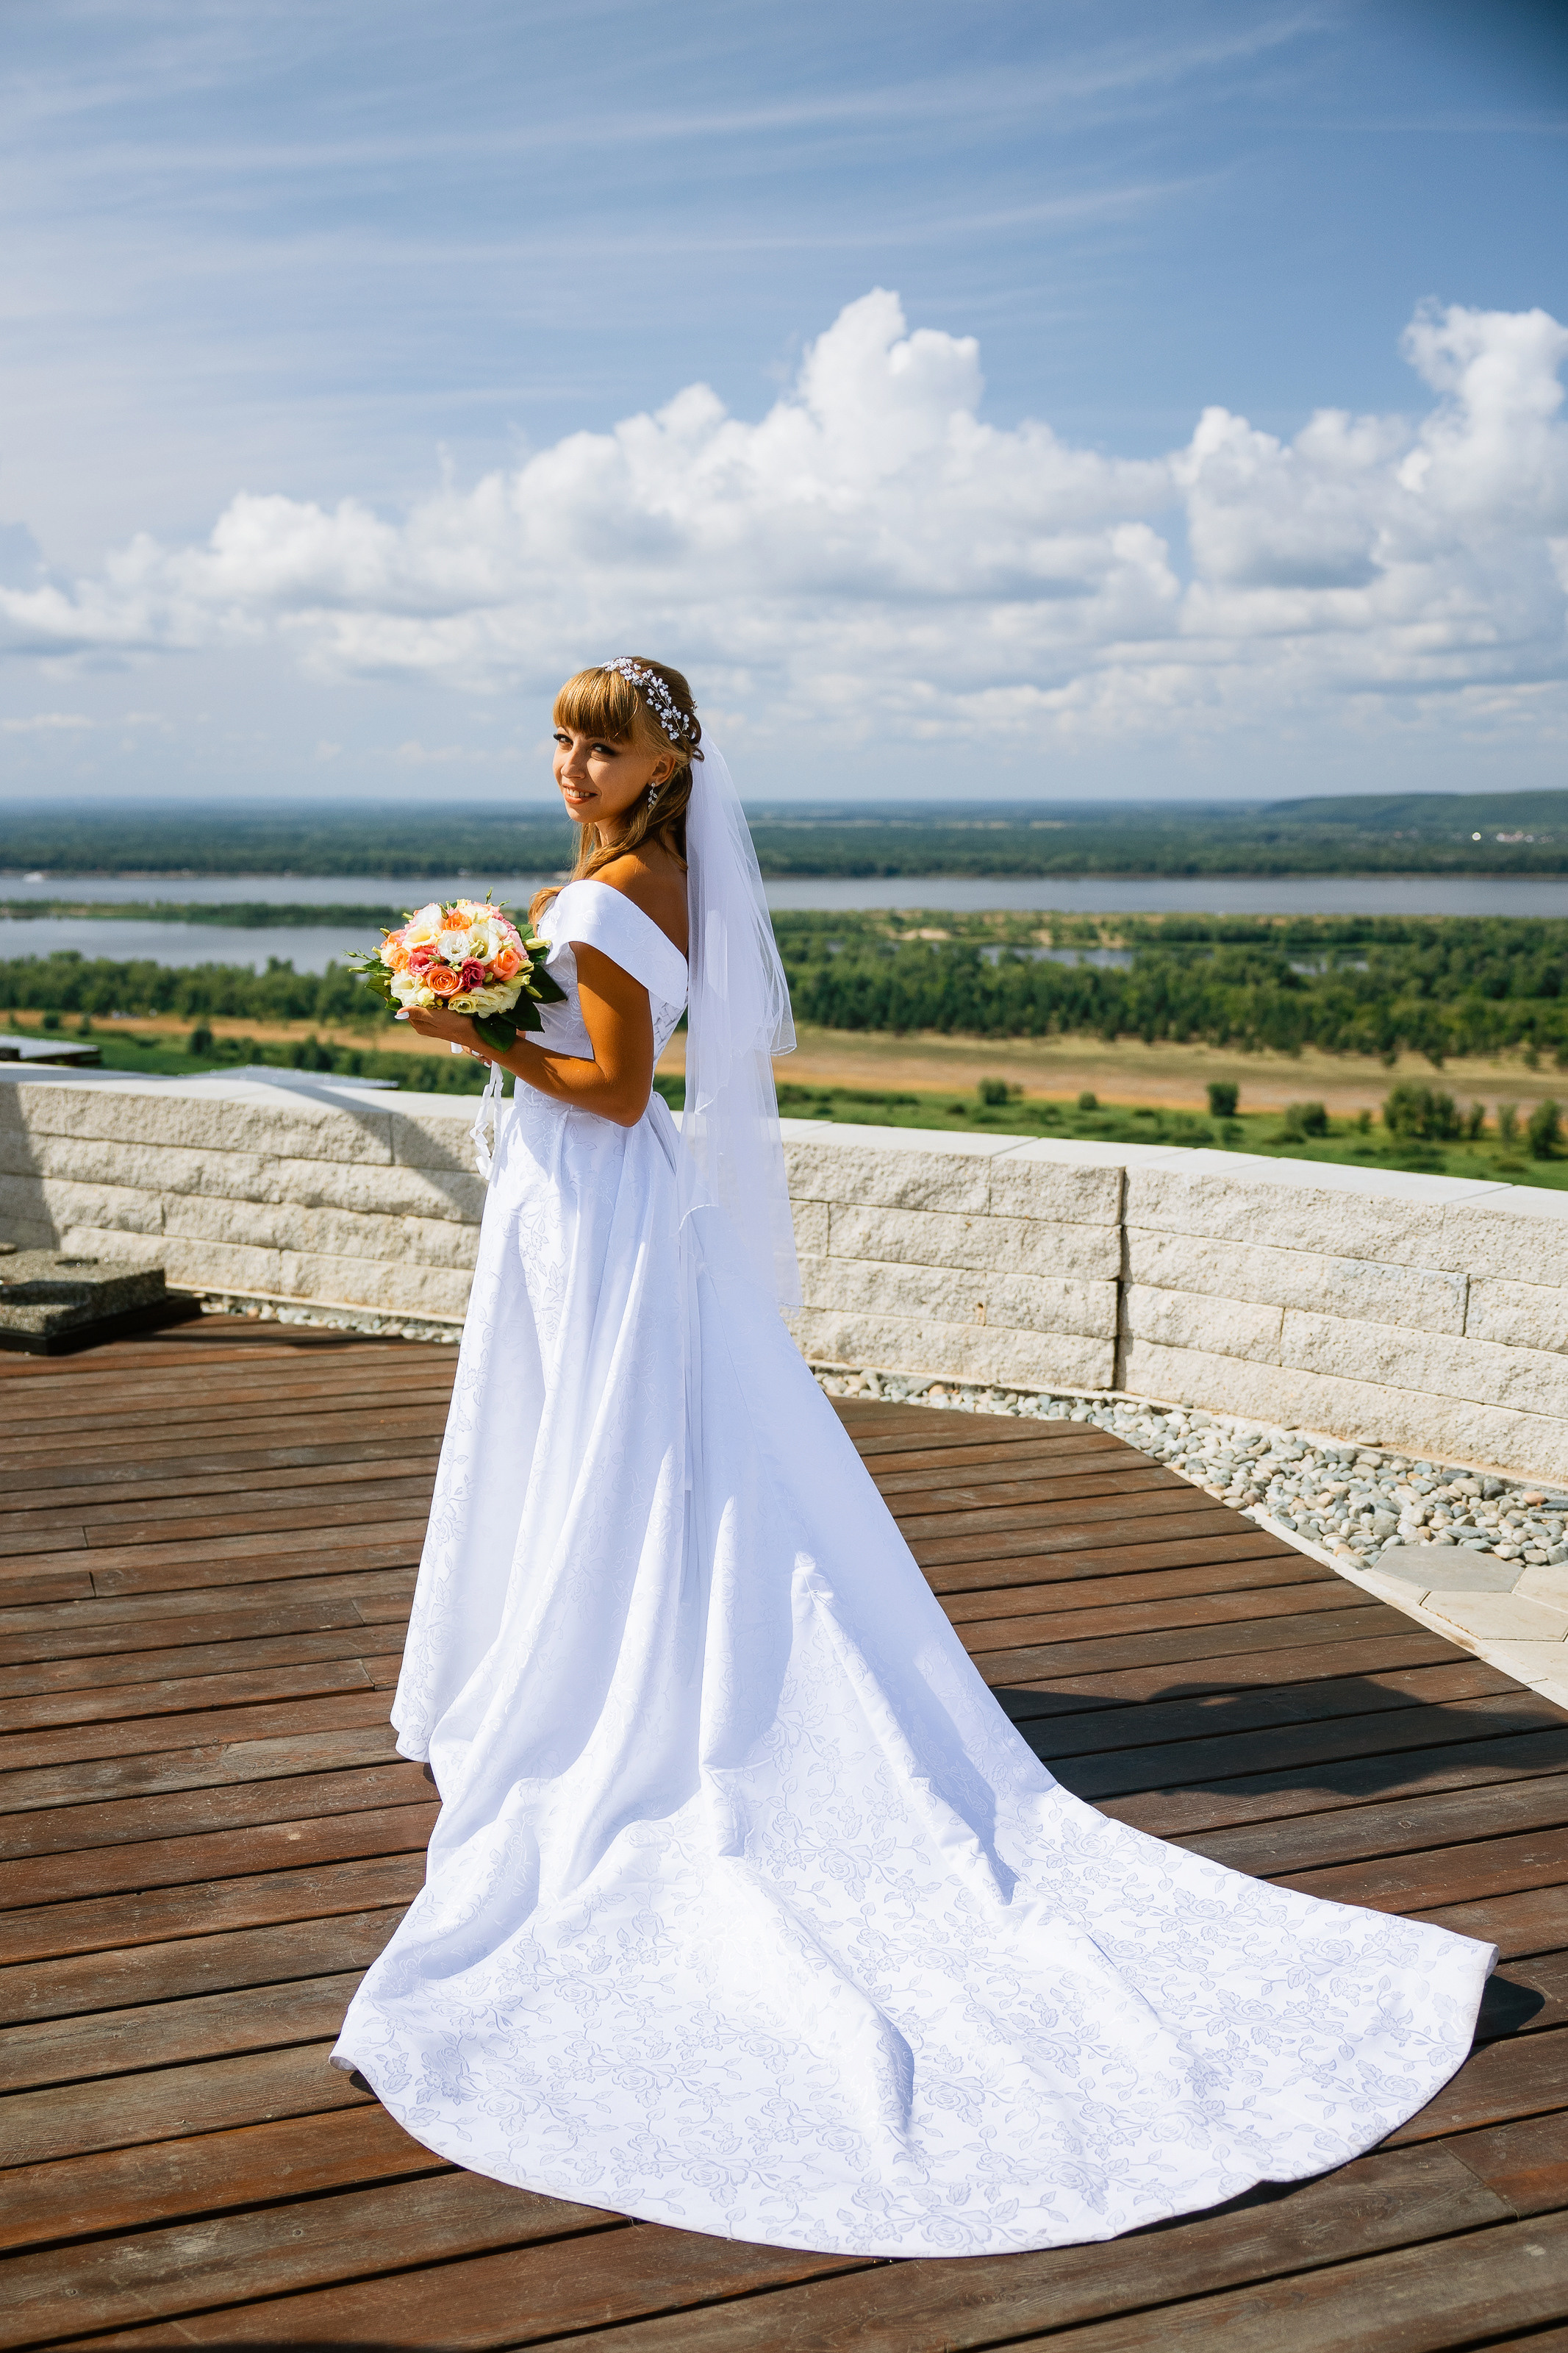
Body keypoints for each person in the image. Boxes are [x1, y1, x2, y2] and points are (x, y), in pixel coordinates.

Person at [332, 659, 1493, 2260]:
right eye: (556, 739)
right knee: (615, 1443)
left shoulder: (622, 892)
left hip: (594, 1198)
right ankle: (588, 1643)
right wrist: (496, 997)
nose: (566, 764)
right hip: (595, 1210)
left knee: (603, 1439)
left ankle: (594, 1674)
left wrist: (463, 1023)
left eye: (594, 744)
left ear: (660, 763)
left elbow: (605, 1090)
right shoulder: (644, 876)